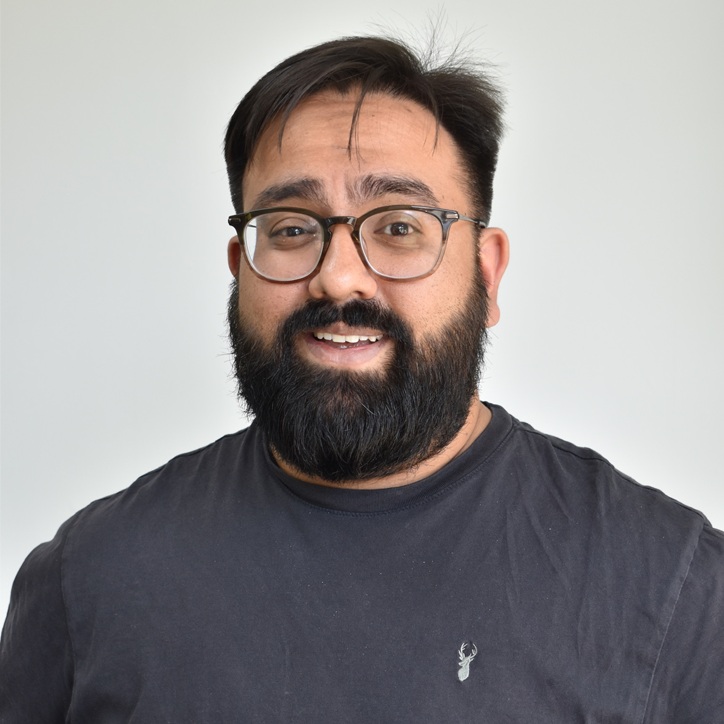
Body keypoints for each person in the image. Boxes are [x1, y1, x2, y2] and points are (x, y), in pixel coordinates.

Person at [1, 35, 723, 722]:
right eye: (291, 228)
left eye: (400, 226)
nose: (339, 277)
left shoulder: (676, 589)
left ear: (487, 273)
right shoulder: (87, 578)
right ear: (239, 270)